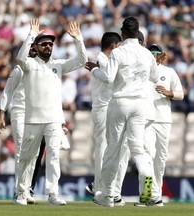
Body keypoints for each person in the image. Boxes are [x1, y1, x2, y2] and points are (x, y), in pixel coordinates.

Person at [85, 16, 159, 207]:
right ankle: (148, 183)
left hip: (120, 103)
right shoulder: (147, 54)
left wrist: (94, 70)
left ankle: (107, 196)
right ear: (138, 31)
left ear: (122, 33)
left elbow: (108, 77)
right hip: (141, 105)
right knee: (138, 149)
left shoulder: (118, 53)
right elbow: (154, 77)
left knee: (113, 149)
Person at [14, 18, 87, 205]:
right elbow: (20, 58)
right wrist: (31, 35)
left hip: (54, 119)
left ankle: (52, 194)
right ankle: (22, 192)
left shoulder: (58, 65)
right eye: (44, 43)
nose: (48, 46)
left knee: (54, 156)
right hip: (32, 120)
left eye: (50, 43)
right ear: (36, 47)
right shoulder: (29, 65)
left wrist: (78, 39)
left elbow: (82, 61)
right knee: (27, 158)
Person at [135, 43, 184, 207]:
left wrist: (169, 93)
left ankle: (156, 195)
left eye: (157, 53)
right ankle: (146, 195)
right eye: (151, 53)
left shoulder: (169, 72)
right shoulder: (143, 72)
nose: (154, 55)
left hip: (164, 120)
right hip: (147, 119)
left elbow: (181, 94)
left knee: (160, 159)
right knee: (147, 156)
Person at [0, 44, 45, 204]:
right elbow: (7, 92)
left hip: (35, 115)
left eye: (36, 51)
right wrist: (0, 116)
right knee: (21, 152)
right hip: (19, 113)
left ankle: (26, 189)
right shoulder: (19, 69)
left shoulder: (40, 70)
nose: (34, 53)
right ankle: (19, 192)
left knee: (33, 155)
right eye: (31, 50)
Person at [85, 32, 125, 206]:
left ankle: (103, 186)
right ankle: (99, 187)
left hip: (108, 108)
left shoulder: (102, 60)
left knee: (111, 148)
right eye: (120, 46)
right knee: (102, 148)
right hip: (102, 109)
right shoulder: (102, 61)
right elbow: (111, 79)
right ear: (114, 46)